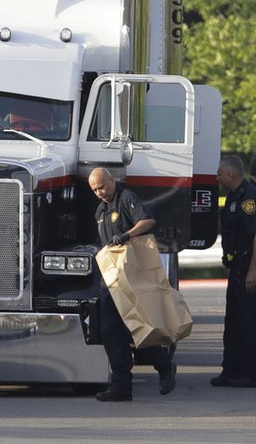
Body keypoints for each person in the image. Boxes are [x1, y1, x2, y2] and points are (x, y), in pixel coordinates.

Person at [88, 167, 176, 402]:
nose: (99, 192)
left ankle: (164, 366)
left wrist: (126, 235)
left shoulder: (126, 198)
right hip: (111, 280)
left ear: (111, 180)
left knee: (137, 328)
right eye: (95, 190)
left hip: (131, 276)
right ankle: (121, 387)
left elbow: (148, 221)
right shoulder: (100, 210)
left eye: (102, 187)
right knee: (111, 332)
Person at [211, 155, 256, 388]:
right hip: (237, 270)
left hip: (251, 272)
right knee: (234, 323)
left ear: (230, 175)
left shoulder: (250, 199)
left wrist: (253, 270)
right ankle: (231, 370)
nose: (216, 178)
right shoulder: (234, 197)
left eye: (219, 174)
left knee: (251, 323)